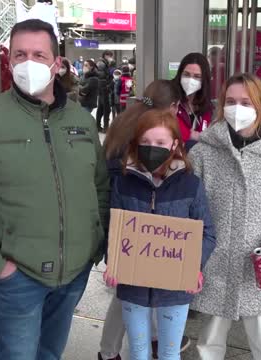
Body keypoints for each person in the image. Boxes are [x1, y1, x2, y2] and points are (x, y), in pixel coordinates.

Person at [0, 19, 110, 360]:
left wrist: (95, 245)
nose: (28, 62)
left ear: (57, 64)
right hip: (19, 277)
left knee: (50, 354)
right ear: (10, 61)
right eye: (20, 54)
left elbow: (100, 186)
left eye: (39, 54)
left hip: (74, 272)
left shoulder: (81, 121)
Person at [189, 74, 261, 359]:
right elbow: (190, 208)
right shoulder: (204, 153)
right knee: (208, 344)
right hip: (215, 266)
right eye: (229, 102)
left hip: (259, 269)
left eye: (245, 102)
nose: (236, 109)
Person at [104, 109, 217, 360]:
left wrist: (194, 265)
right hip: (133, 285)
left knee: (168, 352)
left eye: (160, 143)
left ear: (175, 144)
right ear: (135, 144)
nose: (152, 148)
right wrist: (112, 262)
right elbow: (114, 228)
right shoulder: (123, 183)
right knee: (138, 351)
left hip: (175, 287)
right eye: (145, 142)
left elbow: (207, 232)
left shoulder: (191, 184)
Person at [99, 80, 188, 360]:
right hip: (131, 218)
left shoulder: (126, 119)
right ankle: (109, 350)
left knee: (132, 290)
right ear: (173, 107)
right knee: (127, 292)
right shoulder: (145, 130)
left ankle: (140, 341)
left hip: (119, 215)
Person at [171, 53, 213, 150]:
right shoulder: (171, 98)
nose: (191, 80)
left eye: (197, 76)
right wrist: (191, 135)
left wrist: (199, 136)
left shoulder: (206, 104)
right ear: (180, 74)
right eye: (186, 74)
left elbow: (207, 133)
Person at [96, 51, 116, 132]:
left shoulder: (102, 63)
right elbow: (103, 77)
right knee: (106, 108)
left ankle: (98, 126)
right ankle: (105, 127)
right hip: (104, 89)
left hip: (102, 89)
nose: (111, 57)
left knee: (101, 107)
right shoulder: (102, 64)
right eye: (110, 56)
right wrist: (107, 87)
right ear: (105, 55)